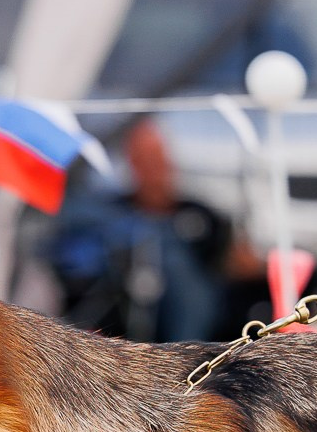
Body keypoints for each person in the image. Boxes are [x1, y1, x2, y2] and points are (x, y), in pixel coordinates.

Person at [46, 118, 261, 342]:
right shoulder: (108, 214)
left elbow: (231, 261)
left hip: (204, 333)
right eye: (145, 160)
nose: (155, 169)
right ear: (132, 164)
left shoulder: (199, 213)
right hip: (126, 333)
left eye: (159, 159)